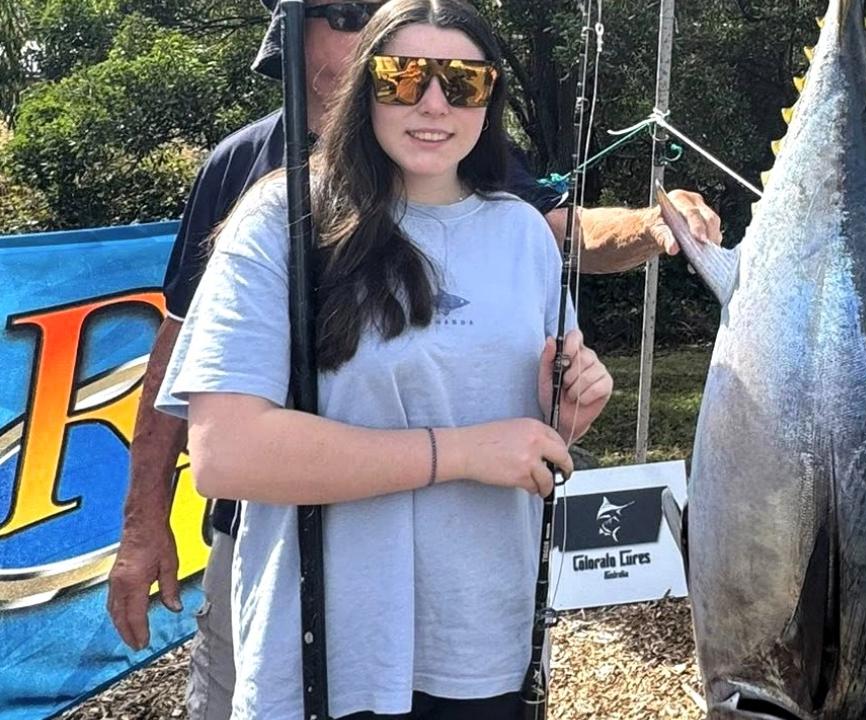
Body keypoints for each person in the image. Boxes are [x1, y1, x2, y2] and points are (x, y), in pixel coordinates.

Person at [105, 1, 722, 718]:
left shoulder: (524, 234)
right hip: (326, 658)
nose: (434, 102)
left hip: (485, 649)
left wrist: (566, 413)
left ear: (490, 97)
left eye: (463, 81)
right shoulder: (279, 219)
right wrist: (461, 453)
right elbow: (227, 455)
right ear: (365, 85)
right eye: (402, 77)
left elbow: (519, 432)